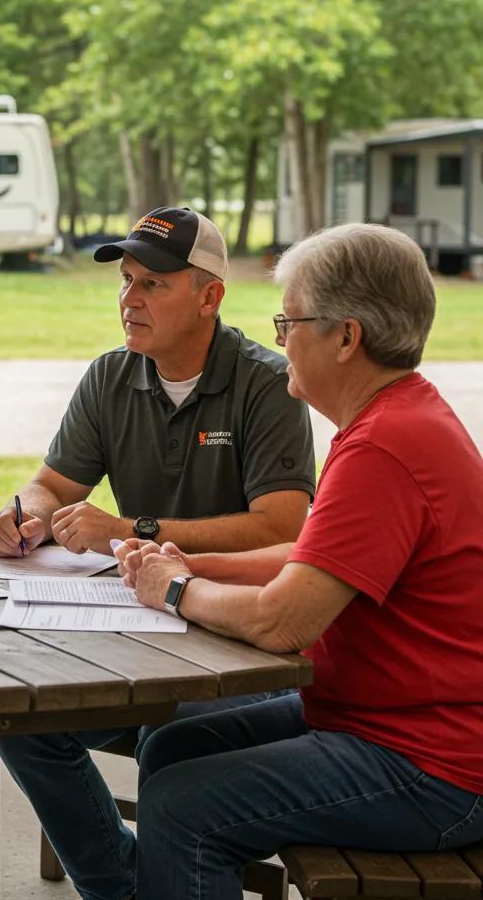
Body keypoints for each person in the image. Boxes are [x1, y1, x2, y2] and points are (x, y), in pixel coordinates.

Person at [120, 223, 483, 899]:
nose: (280, 337)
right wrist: (188, 563)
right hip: (379, 723)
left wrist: (175, 591)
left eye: (290, 320)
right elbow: (315, 558)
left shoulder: (384, 447)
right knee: (172, 747)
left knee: (179, 808)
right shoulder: (398, 419)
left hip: (435, 767)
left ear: (346, 338)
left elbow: (283, 622)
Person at [0, 206, 317, 900]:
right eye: (127, 280)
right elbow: (52, 482)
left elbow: (284, 524)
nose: (130, 300)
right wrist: (26, 516)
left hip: (239, 641)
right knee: (24, 724)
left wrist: (133, 529)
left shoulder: (266, 381)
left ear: (210, 296)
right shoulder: (111, 376)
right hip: (134, 631)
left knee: (181, 749)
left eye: (154, 285)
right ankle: (126, 886)